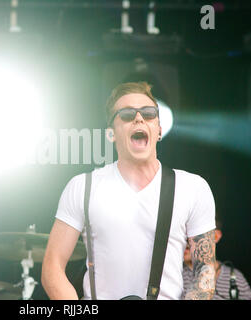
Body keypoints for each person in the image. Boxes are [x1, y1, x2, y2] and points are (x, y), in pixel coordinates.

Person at [41, 82, 217, 300]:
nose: (139, 118)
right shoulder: (82, 187)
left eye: (149, 113)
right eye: (126, 114)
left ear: (159, 130)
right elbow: (52, 267)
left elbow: (205, 271)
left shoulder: (193, 188)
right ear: (111, 134)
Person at [182, 216, 251, 300]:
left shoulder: (234, 277)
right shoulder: (175, 274)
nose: (185, 241)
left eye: (194, 234)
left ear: (216, 236)